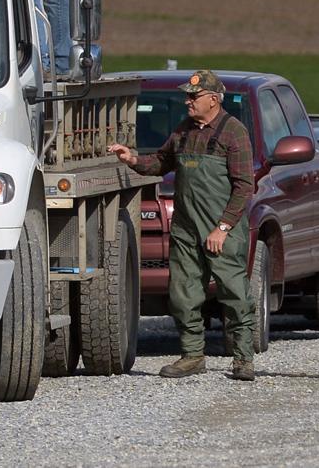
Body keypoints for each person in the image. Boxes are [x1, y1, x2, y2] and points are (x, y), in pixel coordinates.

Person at [107, 70, 257, 380]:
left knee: (235, 293)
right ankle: (192, 356)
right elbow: (161, 162)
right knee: (183, 293)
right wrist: (132, 159)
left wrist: (223, 228)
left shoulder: (234, 132)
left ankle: (243, 359)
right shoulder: (184, 131)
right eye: (187, 95)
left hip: (221, 230)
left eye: (193, 96)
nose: (187, 101)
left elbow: (245, 187)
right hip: (186, 228)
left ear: (213, 100)